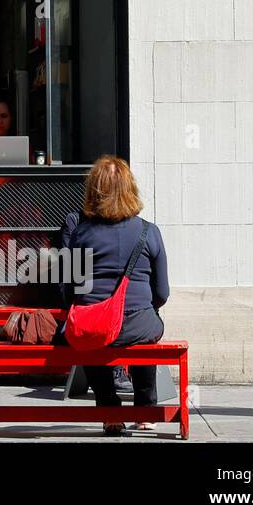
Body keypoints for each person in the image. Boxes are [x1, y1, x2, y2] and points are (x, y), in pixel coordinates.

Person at [58, 155, 168, 434]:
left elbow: (69, 290)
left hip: (94, 326)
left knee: (87, 336)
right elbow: (162, 292)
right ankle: (145, 410)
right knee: (148, 330)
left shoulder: (81, 234)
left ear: (94, 191)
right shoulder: (149, 231)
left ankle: (110, 409)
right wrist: (142, 307)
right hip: (139, 324)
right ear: (130, 188)